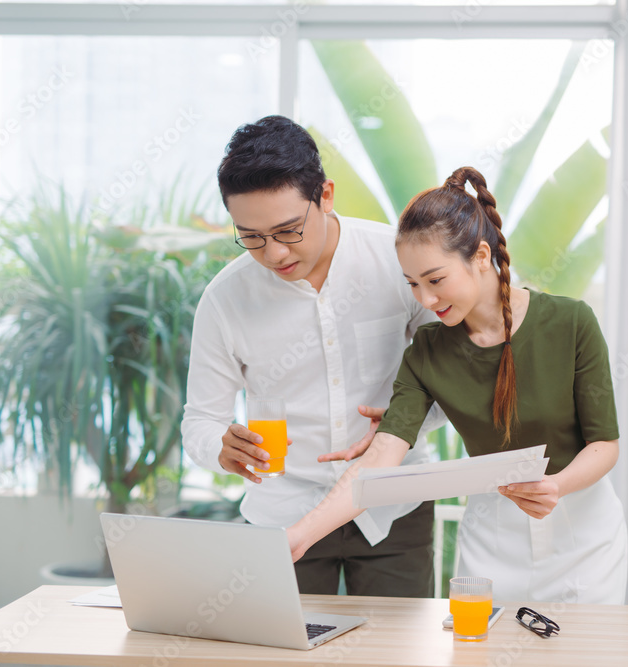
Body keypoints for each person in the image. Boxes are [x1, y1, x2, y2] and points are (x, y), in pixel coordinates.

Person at [287, 166, 628, 604]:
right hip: (493, 539)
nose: (425, 300)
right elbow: (378, 459)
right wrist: (299, 535)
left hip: (583, 536)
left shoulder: (571, 322)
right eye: (413, 284)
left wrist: (556, 486)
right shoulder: (428, 351)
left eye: (435, 279)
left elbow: (604, 445)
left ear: (481, 256)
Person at [182, 115, 444, 598]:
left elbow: (453, 384)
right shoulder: (225, 300)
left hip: (393, 506)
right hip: (282, 516)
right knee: (283, 641)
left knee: (399, 642)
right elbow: (200, 420)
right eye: (251, 236)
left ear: (325, 195)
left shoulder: (398, 260)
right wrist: (221, 447)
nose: (274, 254)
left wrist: (402, 425)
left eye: (288, 230)